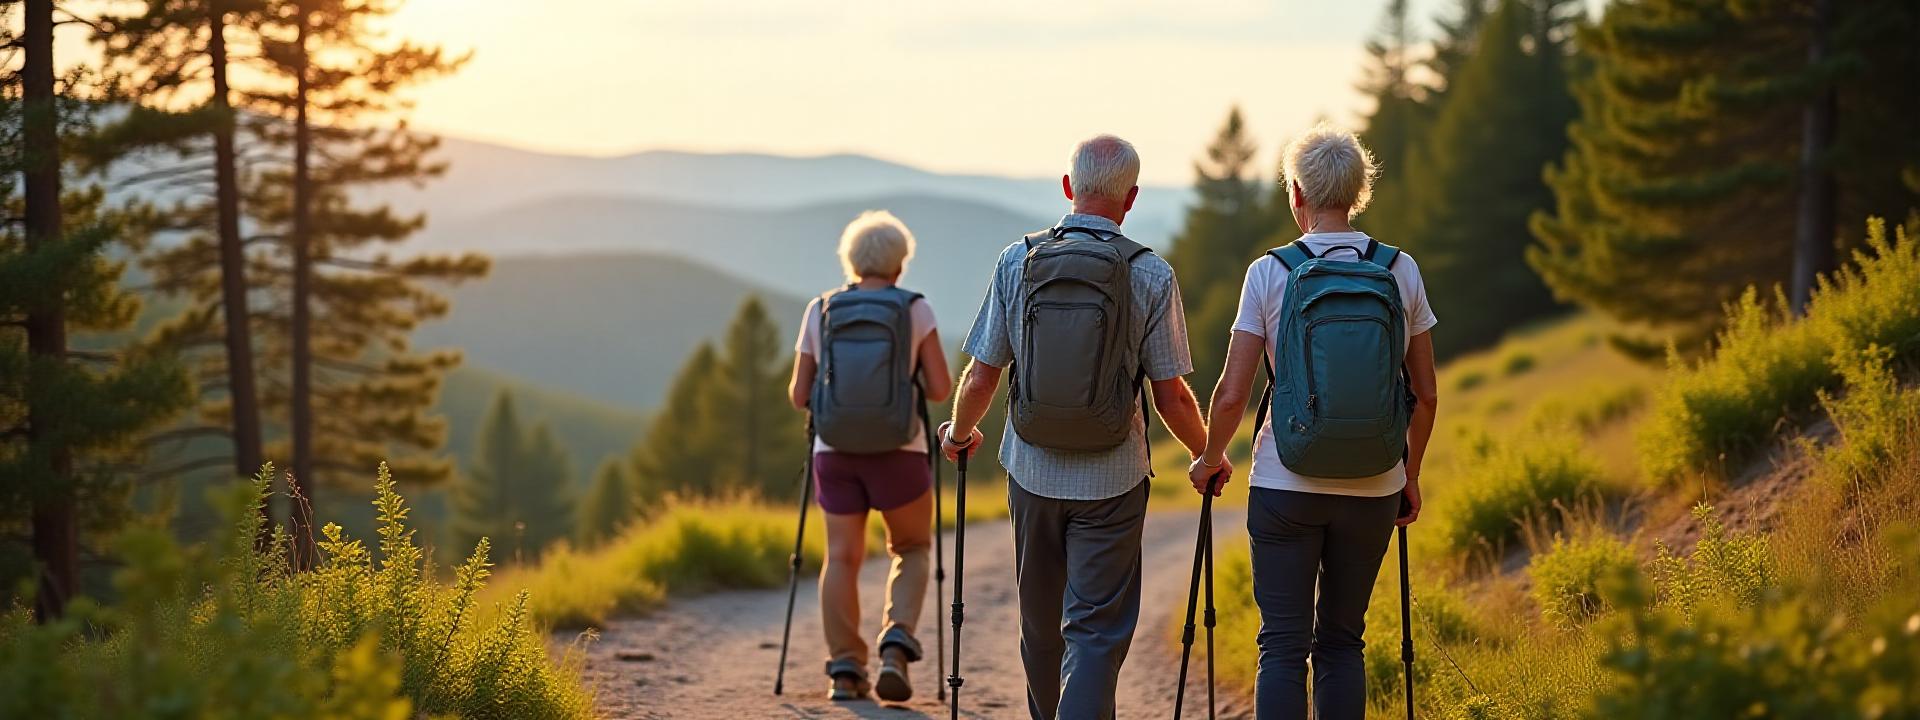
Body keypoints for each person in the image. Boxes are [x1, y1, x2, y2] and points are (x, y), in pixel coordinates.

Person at [940, 134, 1208, 720]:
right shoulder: (1150, 273)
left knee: (1040, 623)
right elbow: (1172, 394)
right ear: (1131, 198)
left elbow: (983, 374)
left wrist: (959, 434)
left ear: (1068, 187)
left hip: (1032, 469)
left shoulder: (1020, 260)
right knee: (1095, 631)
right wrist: (1207, 454)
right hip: (1113, 476)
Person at [1187, 124, 1439, 720]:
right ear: (1358, 193)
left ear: (1295, 193)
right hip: (1375, 482)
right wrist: (1411, 473)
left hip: (1284, 481)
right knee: (1343, 643)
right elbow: (1425, 395)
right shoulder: (1400, 270)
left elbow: (1232, 392)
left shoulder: (1269, 272)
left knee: (1281, 645)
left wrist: (1209, 458)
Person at [789, 210, 953, 703]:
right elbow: (941, 389)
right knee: (912, 548)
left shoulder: (820, 309)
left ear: (851, 261)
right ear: (899, 265)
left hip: (834, 452)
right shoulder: (914, 309)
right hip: (899, 451)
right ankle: (896, 643)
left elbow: (799, 395)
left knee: (841, 556)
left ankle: (844, 670)